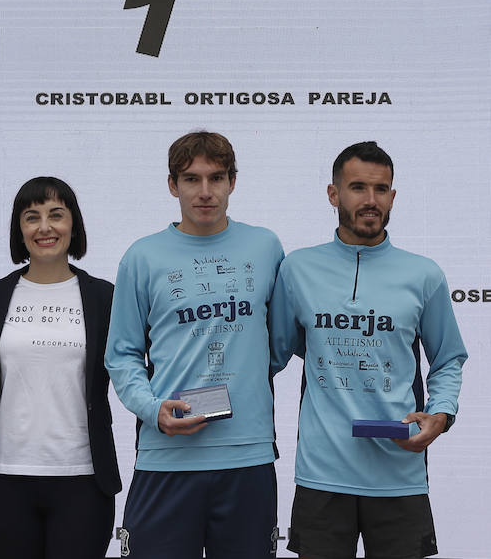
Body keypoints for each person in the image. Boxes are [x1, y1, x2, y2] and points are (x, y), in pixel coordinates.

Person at [269, 141, 467, 558]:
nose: (370, 200)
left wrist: (441, 414)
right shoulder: (297, 269)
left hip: (399, 473)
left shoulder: (424, 275)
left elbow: (447, 358)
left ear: (393, 196)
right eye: (358, 187)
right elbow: (272, 355)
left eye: (381, 189)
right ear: (333, 193)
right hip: (322, 476)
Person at [105, 131, 284, 558]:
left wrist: (244, 378)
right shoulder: (142, 256)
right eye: (191, 179)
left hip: (247, 455)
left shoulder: (265, 247)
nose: (205, 192)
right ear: (172, 185)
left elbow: (276, 345)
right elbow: (122, 353)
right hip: (166, 457)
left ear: (232, 182)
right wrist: (153, 410)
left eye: (216, 178)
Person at [0, 177, 121, 559]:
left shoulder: (105, 298)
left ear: (74, 224)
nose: (44, 227)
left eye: (56, 215)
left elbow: (133, 370)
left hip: (84, 479)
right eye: (31, 217)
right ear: (18, 229)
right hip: (5, 477)